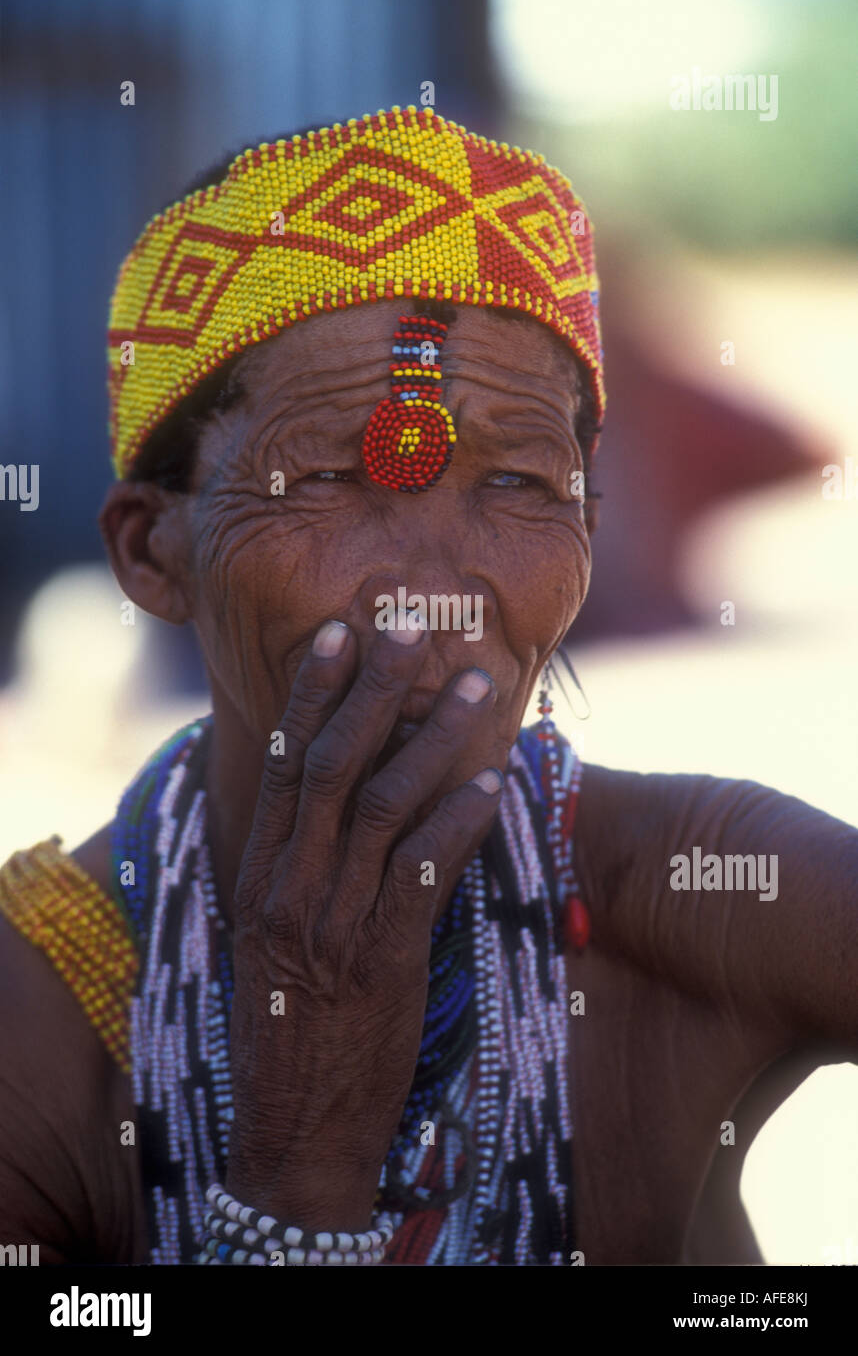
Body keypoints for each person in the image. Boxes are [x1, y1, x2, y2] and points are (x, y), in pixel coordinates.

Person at [0, 106, 855, 1267]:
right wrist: (301, 1162)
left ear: (588, 528)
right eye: (324, 480)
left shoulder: (697, 894)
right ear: (153, 553)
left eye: (517, 480)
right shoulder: (37, 1029)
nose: (433, 583)